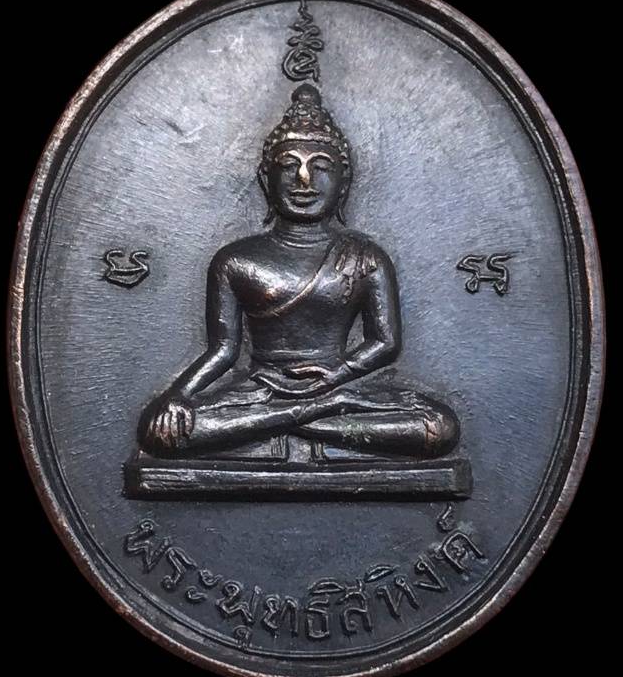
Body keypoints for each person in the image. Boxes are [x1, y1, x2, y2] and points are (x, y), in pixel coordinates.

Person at [139, 84, 459, 461]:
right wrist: (179, 394)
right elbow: (224, 351)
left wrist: (340, 374)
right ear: (266, 180)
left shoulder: (365, 257)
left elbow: (385, 342)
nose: (304, 180)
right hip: (260, 390)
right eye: (289, 166)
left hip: (337, 385)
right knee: (160, 430)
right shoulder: (236, 260)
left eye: (321, 167)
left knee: (439, 427)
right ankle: (308, 416)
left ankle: (287, 421)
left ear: (343, 182)